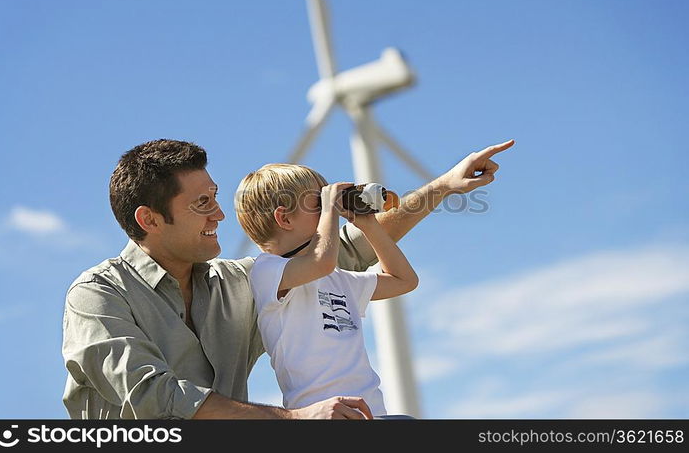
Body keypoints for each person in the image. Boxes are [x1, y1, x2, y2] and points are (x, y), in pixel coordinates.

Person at [61, 137, 514, 419]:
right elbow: (153, 397)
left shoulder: (235, 283)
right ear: (150, 219)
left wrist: (443, 186)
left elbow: (349, 250)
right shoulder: (98, 294)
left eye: (216, 198)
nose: (220, 214)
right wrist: (295, 420)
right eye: (201, 204)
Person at [235, 164, 418, 418]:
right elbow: (321, 262)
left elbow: (404, 280)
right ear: (284, 218)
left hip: (373, 413)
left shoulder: (336, 278)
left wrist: (368, 225)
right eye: (318, 203)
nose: (327, 211)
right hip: (321, 415)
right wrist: (331, 209)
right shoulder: (267, 271)